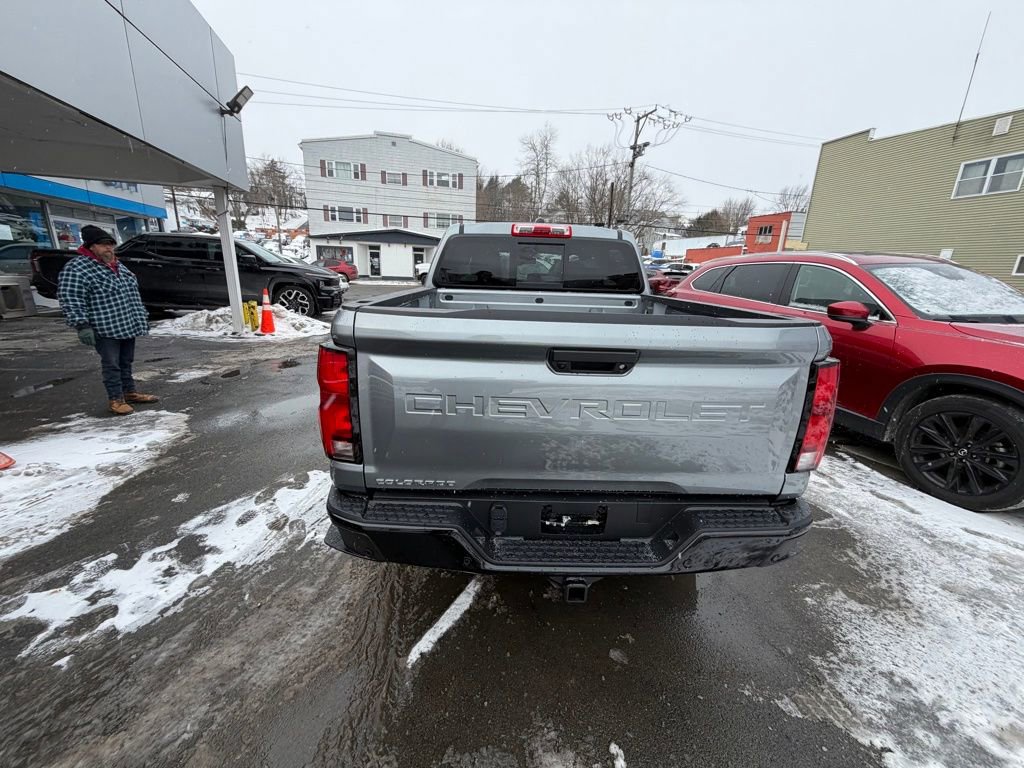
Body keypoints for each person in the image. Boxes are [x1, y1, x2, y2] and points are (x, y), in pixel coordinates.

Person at [57, 225, 159, 415]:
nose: (108, 249)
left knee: (126, 361)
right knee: (111, 363)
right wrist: (82, 325)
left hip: (127, 323)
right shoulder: (78, 268)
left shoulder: (116, 265)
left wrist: (141, 315)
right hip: (104, 326)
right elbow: (71, 298)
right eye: (103, 245)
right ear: (91, 247)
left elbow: (131, 293)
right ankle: (116, 399)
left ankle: (129, 392)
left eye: (111, 245)